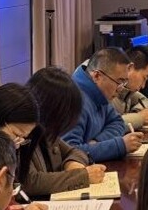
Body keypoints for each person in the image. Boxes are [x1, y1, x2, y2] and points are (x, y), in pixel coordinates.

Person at [24, 67, 107, 197]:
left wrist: (72, 163)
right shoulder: (21, 134)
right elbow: (30, 182)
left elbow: (75, 151)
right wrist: (82, 176)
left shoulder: (47, 131)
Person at [64, 48, 144, 162]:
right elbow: (69, 152)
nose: (121, 89)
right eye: (119, 81)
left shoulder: (99, 93)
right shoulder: (73, 101)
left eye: (124, 82)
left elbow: (118, 122)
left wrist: (97, 142)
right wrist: (119, 146)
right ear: (97, 76)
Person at [110, 46, 148, 129]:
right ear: (130, 68)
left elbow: (146, 101)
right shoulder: (106, 90)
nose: (143, 86)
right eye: (144, 78)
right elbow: (107, 126)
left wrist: (137, 113)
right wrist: (139, 118)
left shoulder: (127, 91)